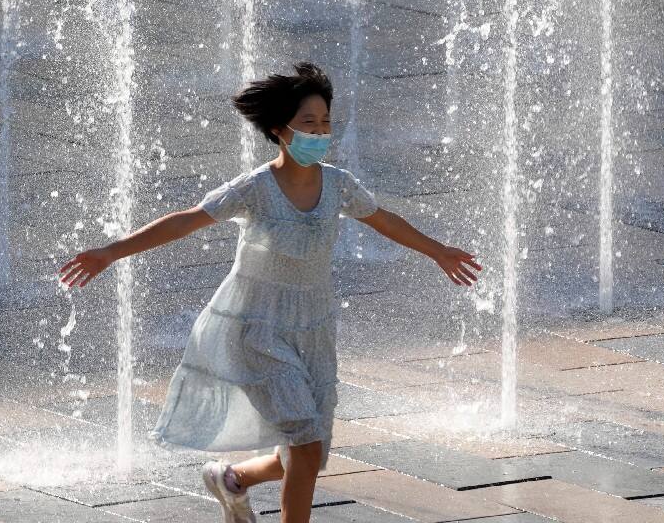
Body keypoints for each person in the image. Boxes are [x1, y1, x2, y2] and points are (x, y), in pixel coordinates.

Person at [59, 61, 481, 523]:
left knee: (308, 452)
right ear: (281, 131)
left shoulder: (339, 185)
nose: (320, 132)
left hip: (314, 328)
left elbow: (383, 219)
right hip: (257, 327)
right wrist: (109, 253)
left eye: (325, 123)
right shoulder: (256, 189)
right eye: (308, 124)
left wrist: (438, 251)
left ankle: (231, 479)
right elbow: (186, 220)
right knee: (304, 439)